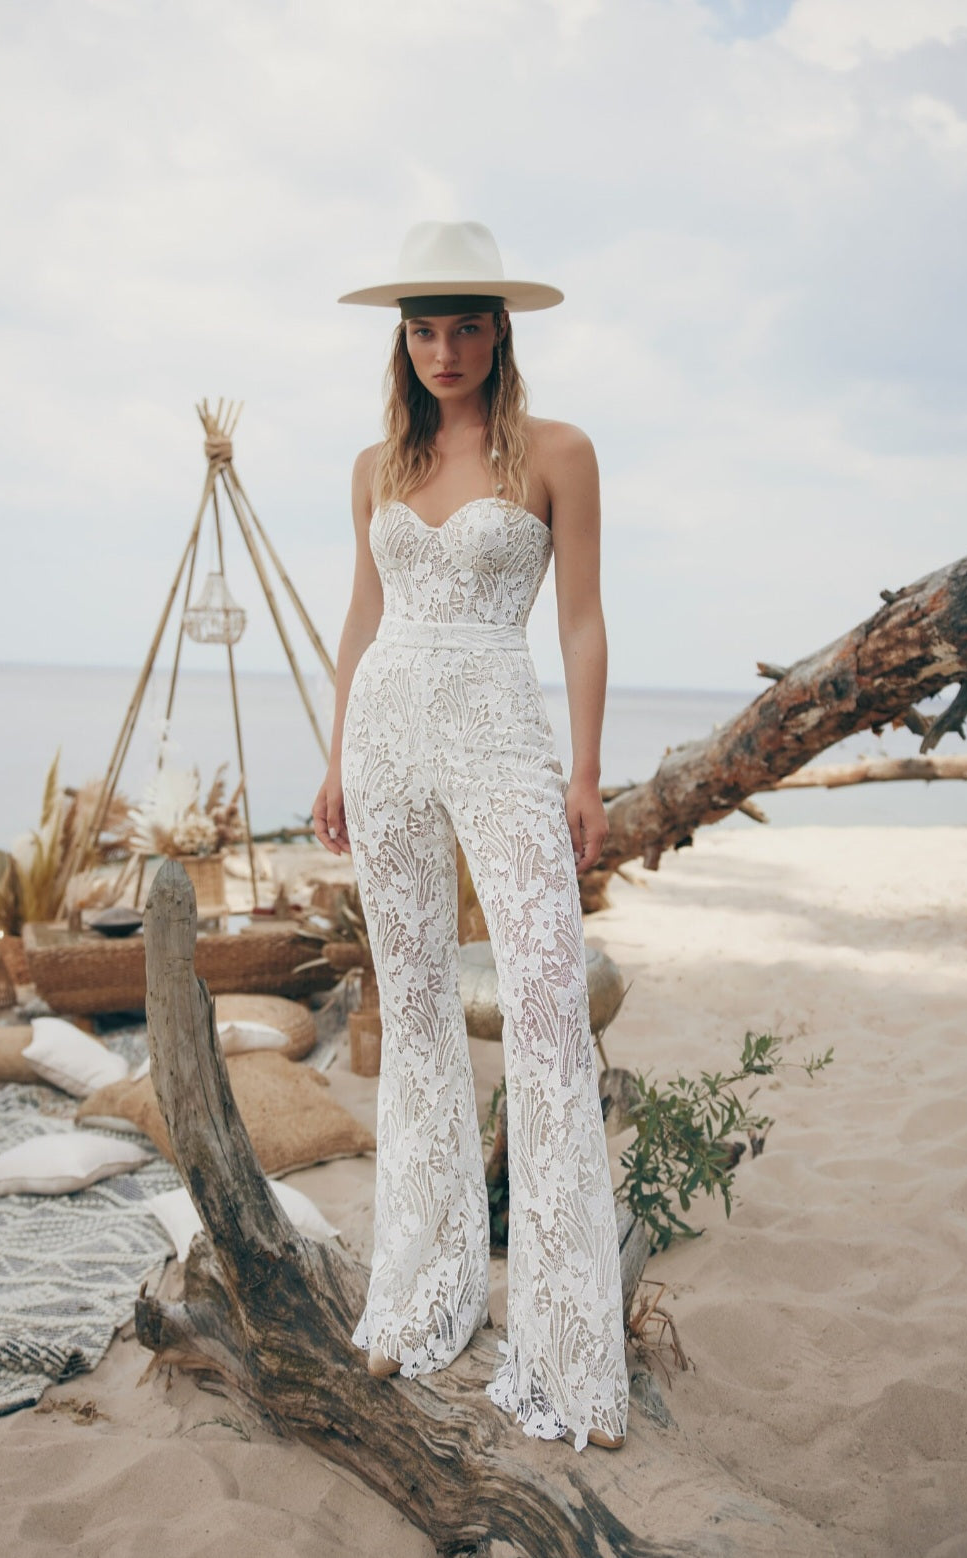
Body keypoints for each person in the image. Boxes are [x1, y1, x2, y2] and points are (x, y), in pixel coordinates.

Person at [312, 220, 630, 1452]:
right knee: (418, 1017)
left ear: (504, 330)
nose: (444, 349)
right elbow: (361, 617)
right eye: (422, 328)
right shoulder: (373, 465)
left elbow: (585, 624)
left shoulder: (559, 452)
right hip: (385, 736)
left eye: (466, 325)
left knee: (549, 1014)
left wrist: (586, 771)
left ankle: (564, 1350)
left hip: (503, 735)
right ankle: (422, 1298)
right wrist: (335, 752)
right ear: (404, 339)